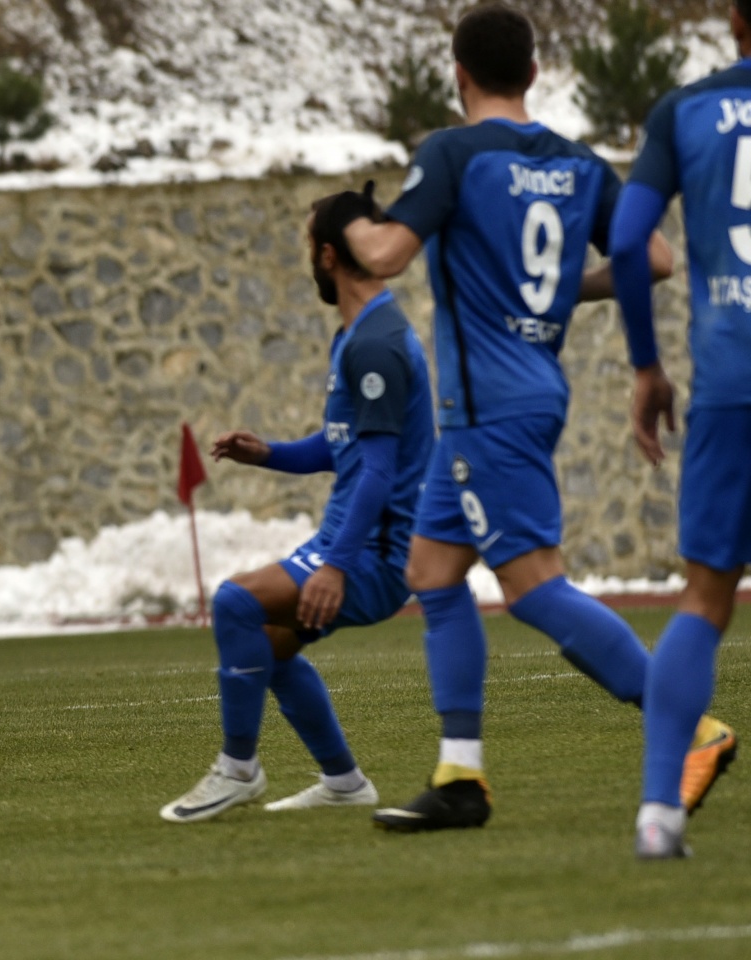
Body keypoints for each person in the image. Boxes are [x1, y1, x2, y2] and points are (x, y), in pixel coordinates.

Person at [345, 1, 733, 832]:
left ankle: (693, 726)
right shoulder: (574, 161)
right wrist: (557, 294)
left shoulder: (452, 153)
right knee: (432, 572)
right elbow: (653, 258)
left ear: (458, 75)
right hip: (514, 397)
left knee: (531, 586)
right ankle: (459, 778)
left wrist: (346, 215)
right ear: (532, 73)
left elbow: (381, 255)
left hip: (489, 405)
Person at [160, 184, 435, 823]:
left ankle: (237, 769)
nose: (307, 257)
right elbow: (346, 445)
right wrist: (272, 454)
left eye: (310, 245)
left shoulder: (374, 345)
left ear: (331, 255)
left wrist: (336, 565)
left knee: (235, 604)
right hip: (354, 540)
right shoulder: (362, 333)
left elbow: (376, 470)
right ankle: (342, 781)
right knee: (270, 646)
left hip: (375, 553)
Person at [608, 1, 751, 859]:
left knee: (704, 598)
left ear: (734, 18)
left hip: (733, 379)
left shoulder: (683, 111)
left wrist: (646, 366)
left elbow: (629, 242)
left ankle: (659, 811)